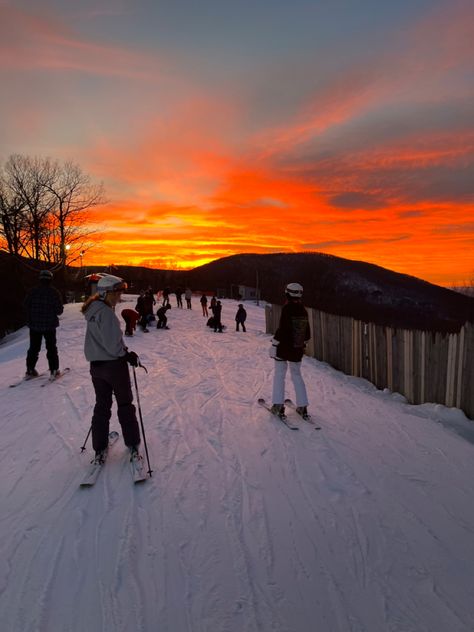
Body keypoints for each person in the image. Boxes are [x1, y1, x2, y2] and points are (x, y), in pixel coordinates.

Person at [81, 274, 141, 462]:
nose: (119, 296)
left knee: (102, 405)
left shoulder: (93, 309)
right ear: (106, 292)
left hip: (96, 367)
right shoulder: (106, 313)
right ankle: (132, 442)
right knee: (124, 404)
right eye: (117, 293)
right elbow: (112, 344)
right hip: (113, 367)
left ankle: (99, 445)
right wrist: (126, 355)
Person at [270, 283, 310, 418]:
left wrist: (274, 344)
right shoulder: (303, 310)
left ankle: (278, 405)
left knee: (279, 375)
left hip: (283, 348)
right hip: (297, 349)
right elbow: (307, 334)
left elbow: (282, 330)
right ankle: (303, 407)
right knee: (297, 376)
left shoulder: (287, 309)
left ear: (288, 293)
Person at [24, 269, 64, 379]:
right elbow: (59, 311)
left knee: (34, 348)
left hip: (34, 326)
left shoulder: (32, 291)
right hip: (49, 326)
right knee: (51, 348)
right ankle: (54, 370)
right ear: (50, 279)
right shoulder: (54, 292)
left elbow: (26, 306)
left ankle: (30, 369)